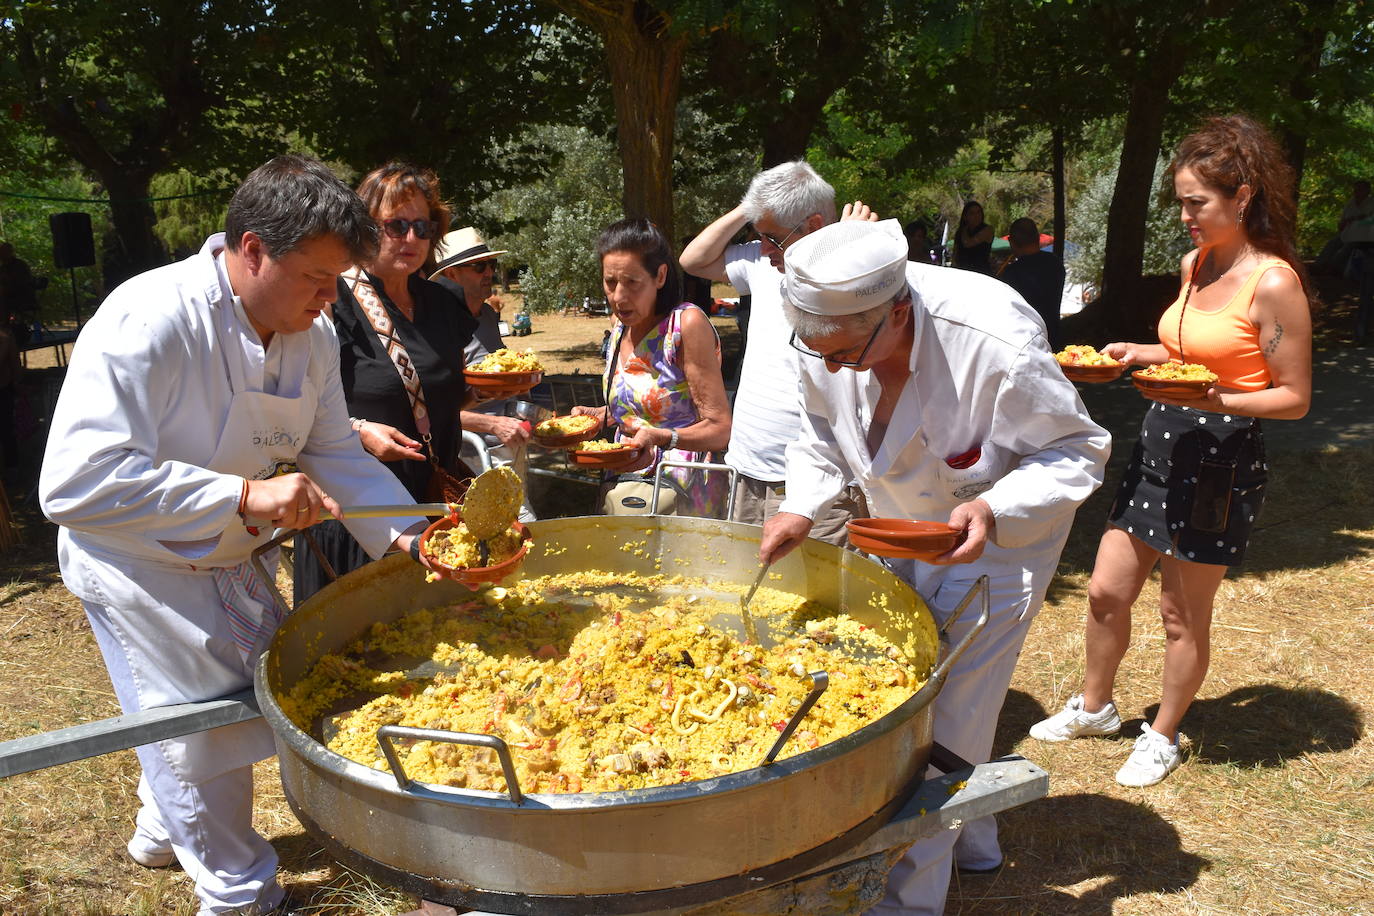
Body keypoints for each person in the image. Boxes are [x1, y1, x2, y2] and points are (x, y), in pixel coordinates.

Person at [38, 155, 434, 915]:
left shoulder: (310, 336)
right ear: (251, 249)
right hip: (137, 563)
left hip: (228, 554)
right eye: (319, 280)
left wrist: (411, 540)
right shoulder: (149, 317)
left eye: (338, 282)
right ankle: (239, 892)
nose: (331, 301)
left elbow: (333, 454)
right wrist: (247, 494)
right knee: (196, 740)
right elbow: (75, 482)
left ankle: (160, 831)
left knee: (246, 702)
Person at [757, 219, 1109, 916]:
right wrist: (801, 506)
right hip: (901, 530)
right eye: (814, 351)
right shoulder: (825, 333)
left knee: (938, 717)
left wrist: (997, 508)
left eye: (844, 354)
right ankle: (974, 840)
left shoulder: (992, 337)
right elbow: (820, 435)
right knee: (918, 690)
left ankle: (907, 902)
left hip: (1002, 541)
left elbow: (1078, 449)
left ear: (895, 313)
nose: (828, 366)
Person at [1029, 115, 1312, 787]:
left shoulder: (1272, 283)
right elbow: (1191, 354)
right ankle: (1095, 707)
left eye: (1198, 203)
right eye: (1181, 201)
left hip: (1221, 457)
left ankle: (1162, 734)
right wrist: (1141, 353)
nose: (1185, 216)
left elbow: (1293, 396)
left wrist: (1216, 403)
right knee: (1104, 590)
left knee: (1181, 612)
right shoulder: (1196, 263)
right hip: (1162, 440)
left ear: (1242, 197)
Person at [292, 163, 476, 604]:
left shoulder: (443, 300)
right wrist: (358, 429)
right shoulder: (331, 299)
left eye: (422, 226)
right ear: (364, 230)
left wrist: (488, 389)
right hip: (362, 512)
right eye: (395, 225)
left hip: (434, 501)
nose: (411, 238)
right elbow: (299, 411)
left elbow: (448, 388)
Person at [679, 161, 875, 538]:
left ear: (815, 226)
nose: (765, 247)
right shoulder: (764, 260)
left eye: (774, 237)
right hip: (747, 468)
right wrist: (751, 206)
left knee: (817, 595)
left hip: (822, 485)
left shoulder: (856, 271)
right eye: (761, 235)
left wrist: (850, 248)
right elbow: (693, 260)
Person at [569, 218, 732, 516]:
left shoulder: (684, 325)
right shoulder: (620, 327)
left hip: (682, 493)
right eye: (610, 282)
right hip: (625, 488)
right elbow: (647, 408)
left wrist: (663, 437)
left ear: (660, 276)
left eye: (632, 282)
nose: (619, 296)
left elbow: (720, 429)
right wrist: (597, 417)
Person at [430, 226, 538, 521]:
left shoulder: (488, 316)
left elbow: (503, 374)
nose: (489, 272)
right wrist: (492, 425)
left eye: (492, 264)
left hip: (509, 446)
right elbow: (434, 413)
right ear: (451, 274)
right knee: (520, 525)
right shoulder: (438, 330)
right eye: (479, 266)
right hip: (471, 453)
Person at [998, 217, 1064, 349]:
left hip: (1023, 342)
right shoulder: (1055, 263)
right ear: (1038, 238)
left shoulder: (1010, 274)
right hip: (1052, 337)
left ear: (1011, 242)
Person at [951, 200, 994, 274]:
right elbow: (955, 253)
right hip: (962, 270)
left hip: (981, 271)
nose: (976, 216)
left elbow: (968, 243)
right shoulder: (960, 232)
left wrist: (964, 229)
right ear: (965, 216)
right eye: (972, 213)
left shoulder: (987, 229)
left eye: (978, 212)